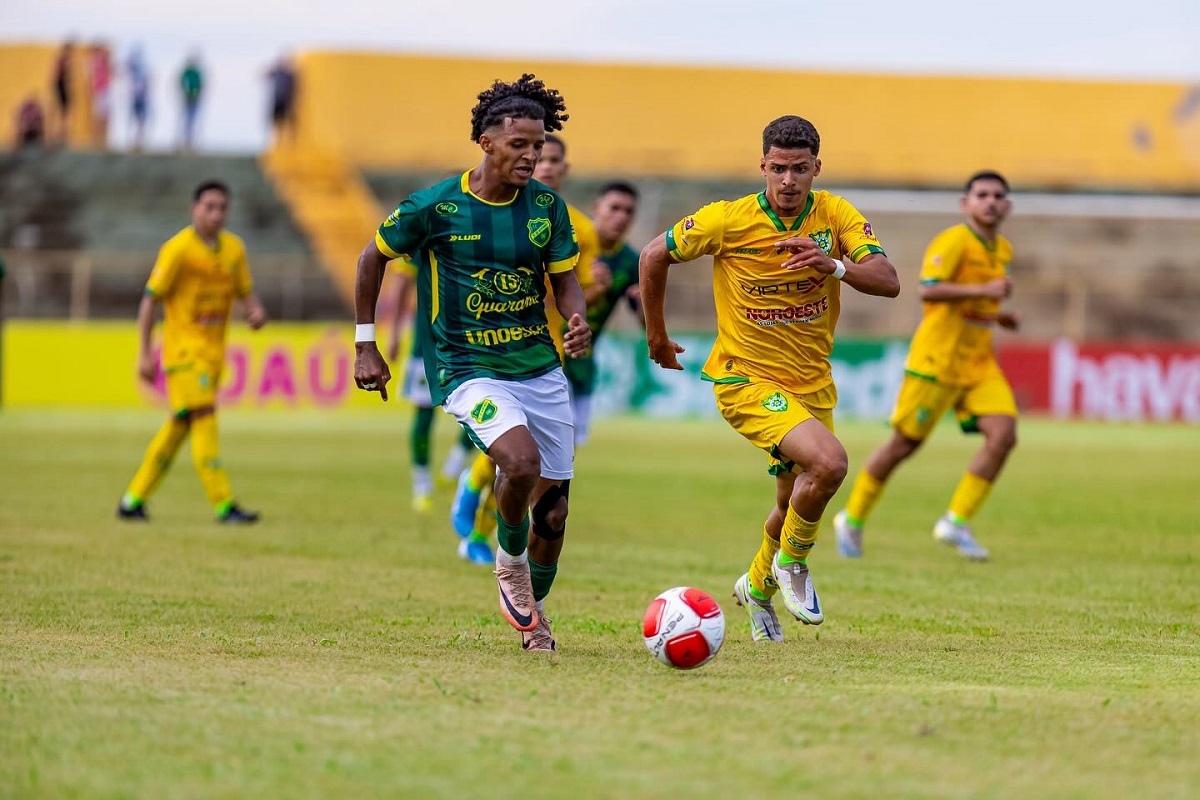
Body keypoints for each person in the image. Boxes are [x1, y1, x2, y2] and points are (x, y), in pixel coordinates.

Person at [639, 115, 900, 643]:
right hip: (745, 379)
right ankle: (793, 566)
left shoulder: (835, 215)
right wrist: (657, 337)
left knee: (792, 502)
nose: (787, 181)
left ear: (816, 169)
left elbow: (889, 282)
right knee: (829, 463)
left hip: (810, 382)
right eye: (778, 168)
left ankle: (757, 588)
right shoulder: (727, 220)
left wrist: (834, 266)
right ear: (762, 166)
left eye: (799, 169)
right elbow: (653, 255)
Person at [352, 74, 590, 653]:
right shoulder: (435, 207)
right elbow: (370, 259)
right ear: (485, 141)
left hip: (537, 365)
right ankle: (508, 566)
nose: (531, 156)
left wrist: (576, 318)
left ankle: (534, 611)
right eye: (519, 145)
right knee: (519, 462)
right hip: (466, 366)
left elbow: (567, 286)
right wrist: (366, 343)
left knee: (554, 516)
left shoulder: (546, 210)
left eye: (538, 146)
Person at [834, 172, 1019, 562]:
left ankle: (956, 521)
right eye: (981, 194)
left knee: (1003, 434)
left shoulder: (1001, 248)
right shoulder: (954, 241)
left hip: (979, 363)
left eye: (997, 196)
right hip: (936, 361)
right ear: (965, 204)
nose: (989, 201)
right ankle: (851, 519)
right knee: (904, 445)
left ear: (1007, 206)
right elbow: (927, 288)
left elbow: (972, 303)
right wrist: (983, 292)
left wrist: (997, 315)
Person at [448, 132, 600, 541]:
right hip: (493, 349)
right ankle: (481, 526)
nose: (543, 164)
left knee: (542, 464)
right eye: (539, 156)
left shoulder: (577, 225)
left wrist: (584, 305)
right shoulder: (489, 212)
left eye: (552, 159)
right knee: (513, 454)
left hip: (546, 352)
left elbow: (578, 287)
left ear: (564, 169)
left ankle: (489, 520)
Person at [117, 180, 267, 523]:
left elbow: (247, 293)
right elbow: (149, 300)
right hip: (183, 355)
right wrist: (143, 353)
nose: (216, 214)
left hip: (214, 355)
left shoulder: (234, 250)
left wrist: (256, 313)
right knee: (204, 419)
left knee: (179, 426)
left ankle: (132, 500)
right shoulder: (178, 250)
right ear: (194, 209)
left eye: (222, 208)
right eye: (209, 207)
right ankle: (224, 505)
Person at [382, 257, 483, 543]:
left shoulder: (475, 229)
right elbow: (401, 281)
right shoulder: (428, 229)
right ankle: (422, 487)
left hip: (474, 341)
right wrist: (394, 332)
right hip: (428, 344)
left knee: (485, 411)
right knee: (424, 413)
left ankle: (453, 468)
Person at [564, 180, 643, 444]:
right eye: (615, 208)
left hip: (584, 362)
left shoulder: (632, 261)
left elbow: (644, 324)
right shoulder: (571, 245)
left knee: (570, 446)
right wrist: (597, 289)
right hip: (549, 354)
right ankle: (468, 479)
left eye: (628, 211)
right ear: (596, 208)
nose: (621, 216)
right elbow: (552, 306)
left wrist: (645, 304)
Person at [266, 56, 298, 144]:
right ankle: (278, 140)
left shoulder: (290, 75)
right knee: (276, 121)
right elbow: (265, 74)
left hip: (288, 101)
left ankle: (291, 140)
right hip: (278, 100)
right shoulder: (277, 73)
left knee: (290, 121)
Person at [126, 46, 150, 151]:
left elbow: (147, 81)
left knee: (141, 119)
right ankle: (132, 139)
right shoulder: (134, 66)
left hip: (142, 97)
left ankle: (139, 140)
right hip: (135, 96)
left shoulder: (143, 67)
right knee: (134, 118)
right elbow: (127, 64)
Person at [87, 44, 111, 148]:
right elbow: (91, 77)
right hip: (99, 91)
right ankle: (97, 139)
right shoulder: (94, 61)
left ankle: (102, 139)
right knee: (99, 116)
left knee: (104, 116)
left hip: (104, 90)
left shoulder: (102, 62)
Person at [179, 53, 204, 151]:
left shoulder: (197, 72)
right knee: (185, 120)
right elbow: (181, 83)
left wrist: (197, 94)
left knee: (194, 120)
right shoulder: (186, 72)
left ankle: (192, 141)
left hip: (195, 99)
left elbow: (200, 85)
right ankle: (185, 141)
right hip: (186, 99)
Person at [52, 41, 73, 144]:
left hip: (60, 86)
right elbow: (62, 76)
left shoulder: (62, 59)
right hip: (61, 86)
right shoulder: (63, 60)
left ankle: (61, 133)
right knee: (62, 111)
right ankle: (60, 133)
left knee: (62, 111)